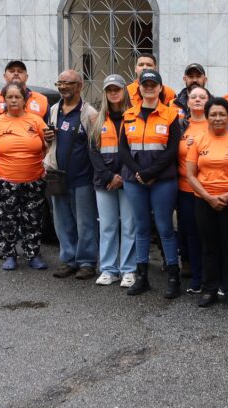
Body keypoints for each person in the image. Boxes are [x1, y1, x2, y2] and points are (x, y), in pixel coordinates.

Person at [120, 69, 183, 298]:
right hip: (134, 180)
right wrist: (139, 173)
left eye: (152, 85)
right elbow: (123, 149)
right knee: (142, 228)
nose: (148, 88)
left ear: (160, 88)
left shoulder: (170, 114)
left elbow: (173, 149)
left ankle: (173, 278)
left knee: (165, 228)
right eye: (144, 84)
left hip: (162, 180)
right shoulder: (129, 114)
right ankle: (142, 277)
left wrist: (151, 172)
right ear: (139, 88)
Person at [186, 97, 228, 309]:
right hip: (203, 201)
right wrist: (208, 197)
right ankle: (209, 289)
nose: (217, 118)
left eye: (222, 114)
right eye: (213, 114)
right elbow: (191, 174)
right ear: (207, 117)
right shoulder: (198, 141)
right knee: (209, 247)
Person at [0, 82, 50, 270]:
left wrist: (45, 171)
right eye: (9, 97)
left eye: (17, 97)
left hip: (33, 181)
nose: (13, 100)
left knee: (33, 220)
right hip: (5, 182)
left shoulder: (36, 121)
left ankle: (33, 255)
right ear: (4, 100)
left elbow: (48, 146)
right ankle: (9, 255)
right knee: (6, 221)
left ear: (24, 99)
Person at [45, 70, 99, 280]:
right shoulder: (53, 110)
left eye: (68, 83)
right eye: (60, 83)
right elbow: (49, 143)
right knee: (62, 221)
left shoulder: (89, 113)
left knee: (85, 223)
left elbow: (96, 147)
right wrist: (47, 138)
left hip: (82, 178)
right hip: (57, 176)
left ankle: (86, 262)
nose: (63, 87)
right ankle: (68, 260)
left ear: (79, 86)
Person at [89, 74, 137, 287]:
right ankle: (109, 269)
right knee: (107, 226)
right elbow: (93, 152)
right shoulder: (97, 119)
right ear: (105, 93)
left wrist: (122, 177)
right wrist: (109, 176)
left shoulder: (134, 117)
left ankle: (128, 270)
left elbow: (136, 151)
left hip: (128, 181)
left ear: (124, 91)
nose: (114, 93)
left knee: (129, 226)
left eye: (117, 89)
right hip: (105, 182)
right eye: (109, 90)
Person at [175, 85, 211, 294]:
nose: (197, 100)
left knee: (210, 235)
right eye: (193, 97)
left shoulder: (215, 123)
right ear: (187, 102)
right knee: (191, 235)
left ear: (208, 101)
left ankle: (213, 277)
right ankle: (197, 278)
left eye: (202, 97)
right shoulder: (181, 125)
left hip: (210, 190)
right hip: (185, 190)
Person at [0, 60, 49, 146]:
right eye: (12, 71)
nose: (16, 73)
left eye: (20, 71)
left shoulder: (42, 99)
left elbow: (48, 131)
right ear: (5, 76)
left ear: (26, 77)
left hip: (35, 153)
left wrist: (46, 152)